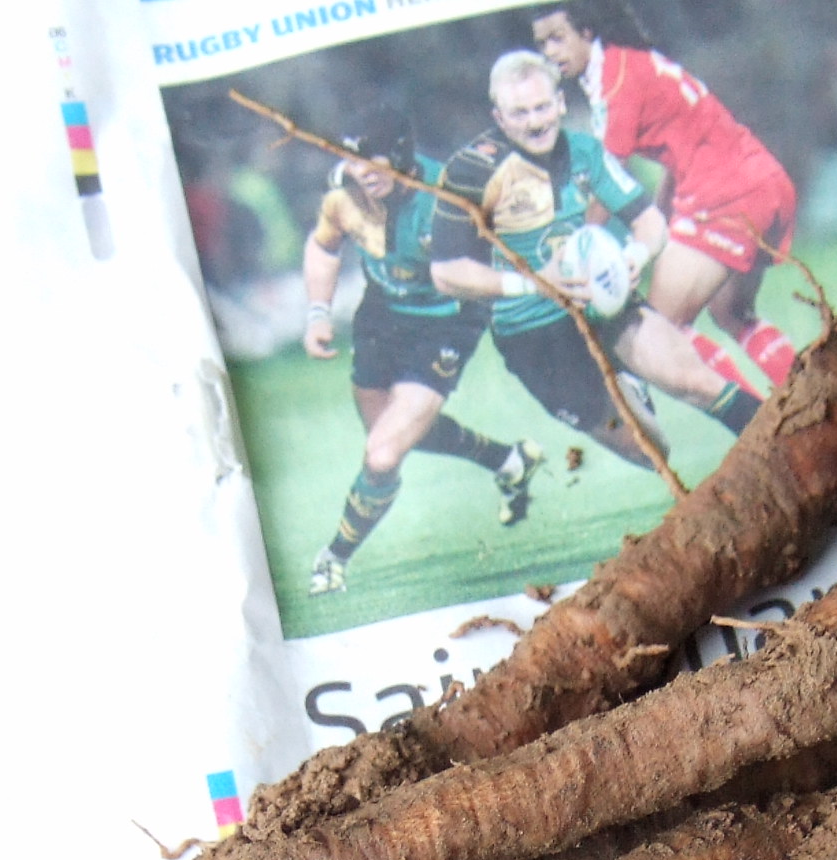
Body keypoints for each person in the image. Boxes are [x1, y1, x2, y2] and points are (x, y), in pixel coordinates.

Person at [430, 50, 761, 471]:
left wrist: (635, 255)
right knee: (649, 449)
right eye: (520, 113)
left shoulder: (585, 151)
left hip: (604, 303)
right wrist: (535, 281)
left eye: (542, 107)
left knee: (696, 381)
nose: (535, 122)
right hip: (534, 335)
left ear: (560, 103)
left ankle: (799, 446)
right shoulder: (469, 173)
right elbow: (446, 273)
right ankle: (627, 386)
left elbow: (649, 221)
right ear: (499, 117)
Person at [300, 117, 542, 598]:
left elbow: (479, 265)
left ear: (402, 155)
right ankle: (508, 460)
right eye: (353, 162)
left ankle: (333, 559)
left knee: (383, 454)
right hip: (381, 314)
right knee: (387, 435)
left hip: (446, 321)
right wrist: (317, 313)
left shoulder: (445, 198)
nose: (363, 172)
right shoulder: (344, 192)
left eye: (375, 161)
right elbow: (323, 245)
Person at [529, 3, 803, 391]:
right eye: (541, 44)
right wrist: (656, 230)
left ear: (587, 32)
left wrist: (576, 247)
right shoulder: (631, 61)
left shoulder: (615, 80)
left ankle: (758, 416)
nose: (550, 53)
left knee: (659, 331)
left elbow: (609, 178)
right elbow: (681, 150)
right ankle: (820, 399)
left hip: (724, 194)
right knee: (731, 312)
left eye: (558, 39)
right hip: (762, 179)